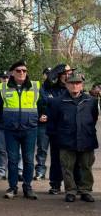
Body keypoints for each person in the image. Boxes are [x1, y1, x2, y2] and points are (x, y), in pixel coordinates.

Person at [0, 60, 42, 200]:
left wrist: (41, 116)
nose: (22, 73)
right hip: (11, 130)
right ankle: (12, 187)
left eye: (24, 70)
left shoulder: (35, 86)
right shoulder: (3, 88)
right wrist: (0, 120)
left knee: (29, 160)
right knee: (12, 160)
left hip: (30, 129)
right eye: (18, 70)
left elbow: (44, 104)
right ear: (12, 72)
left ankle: (28, 187)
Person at [47, 73, 98, 202]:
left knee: (86, 166)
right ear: (66, 85)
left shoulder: (91, 101)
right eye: (71, 83)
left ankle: (85, 190)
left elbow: (93, 118)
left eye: (77, 83)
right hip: (66, 139)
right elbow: (53, 121)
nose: (75, 86)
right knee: (67, 167)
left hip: (86, 138)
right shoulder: (57, 102)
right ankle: (70, 191)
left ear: (82, 85)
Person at [43, 64, 74, 194]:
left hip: (70, 130)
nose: (67, 76)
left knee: (71, 159)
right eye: (64, 73)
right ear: (59, 75)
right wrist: (53, 72)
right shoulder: (51, 89)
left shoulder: (73, 88)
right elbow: (45, 100)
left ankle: (72, 186)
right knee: (56, 158)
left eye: (69, 73)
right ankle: (55, 184)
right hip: (55, 129)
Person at [34, 67, 53, 180]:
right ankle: (40, 171)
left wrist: (49, 116)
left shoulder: (59, 89)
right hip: (42, 124)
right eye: (47, 74)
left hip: (55, 124)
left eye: (51, 74)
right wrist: (38, 117)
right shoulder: (38, 89)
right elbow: (32, 104)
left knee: (58, 151)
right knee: (41, 149)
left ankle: (57, 176)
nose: (49, 76)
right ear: (43, 75)